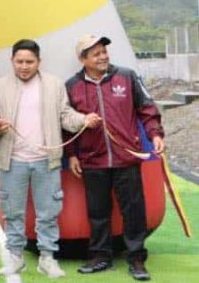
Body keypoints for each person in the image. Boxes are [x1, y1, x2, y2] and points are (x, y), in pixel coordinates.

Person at [0, 39, 101, 277]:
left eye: (29, 61)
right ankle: (16, 257)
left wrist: (83, 120)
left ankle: (47, 258)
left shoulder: (54, 85)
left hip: (46, 160)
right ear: (12, 61)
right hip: (12, 160)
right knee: (13, 212)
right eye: (19, 61)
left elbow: (65, 116)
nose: (24, 66)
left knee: (48, 212)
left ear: (39, 62)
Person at [65, 35, 164, 281]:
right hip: (92, 160)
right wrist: (72, 155)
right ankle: (100, 257)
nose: (103, 56)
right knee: (97, 212)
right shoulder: (72, 85)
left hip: (125, 158)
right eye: (96, 54)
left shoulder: (127, 77)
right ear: (83, 59)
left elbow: (148, 109)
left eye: (104, 51)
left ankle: (137, 260)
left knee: (133, 210)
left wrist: (155, 135)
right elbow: (67, 123)